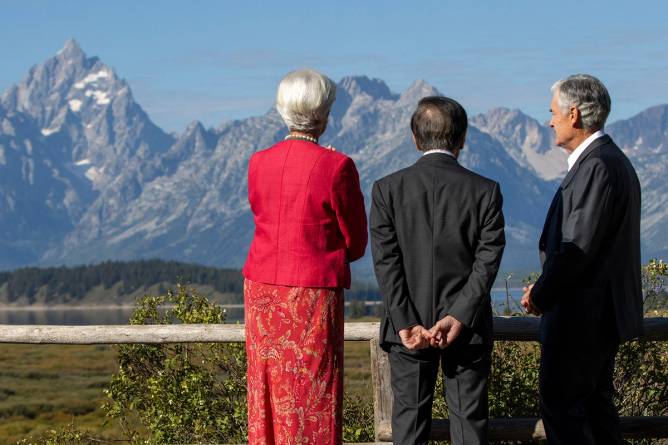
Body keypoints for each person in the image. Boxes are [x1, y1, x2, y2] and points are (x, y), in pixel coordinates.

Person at [242, 68, 368, 445]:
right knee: (313, 391)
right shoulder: (337, 166)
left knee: (266, 386)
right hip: (311, 293)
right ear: (324, 114)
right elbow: (357, 242)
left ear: (283, 110)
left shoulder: (258, 162)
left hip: (262, 290)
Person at [371, 96, 505, 445]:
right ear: (462, 139)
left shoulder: (387, 190)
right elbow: (487, 259)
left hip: (408, 331)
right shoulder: (486, 191)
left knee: (409, 428)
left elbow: (387, 264)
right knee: (469, 426)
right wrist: (459, 316)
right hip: (468, 329)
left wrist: (405, 322)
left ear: (415, 139)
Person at [521, 74, 643, 444]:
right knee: (595, 412)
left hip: (582, 318)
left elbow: (576, 249)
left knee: (563, 411)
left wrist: (540, 295)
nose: (550, 121)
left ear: (573, 114)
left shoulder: (596, 167)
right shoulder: (609, 162)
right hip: (596, 316)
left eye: (553, 112)